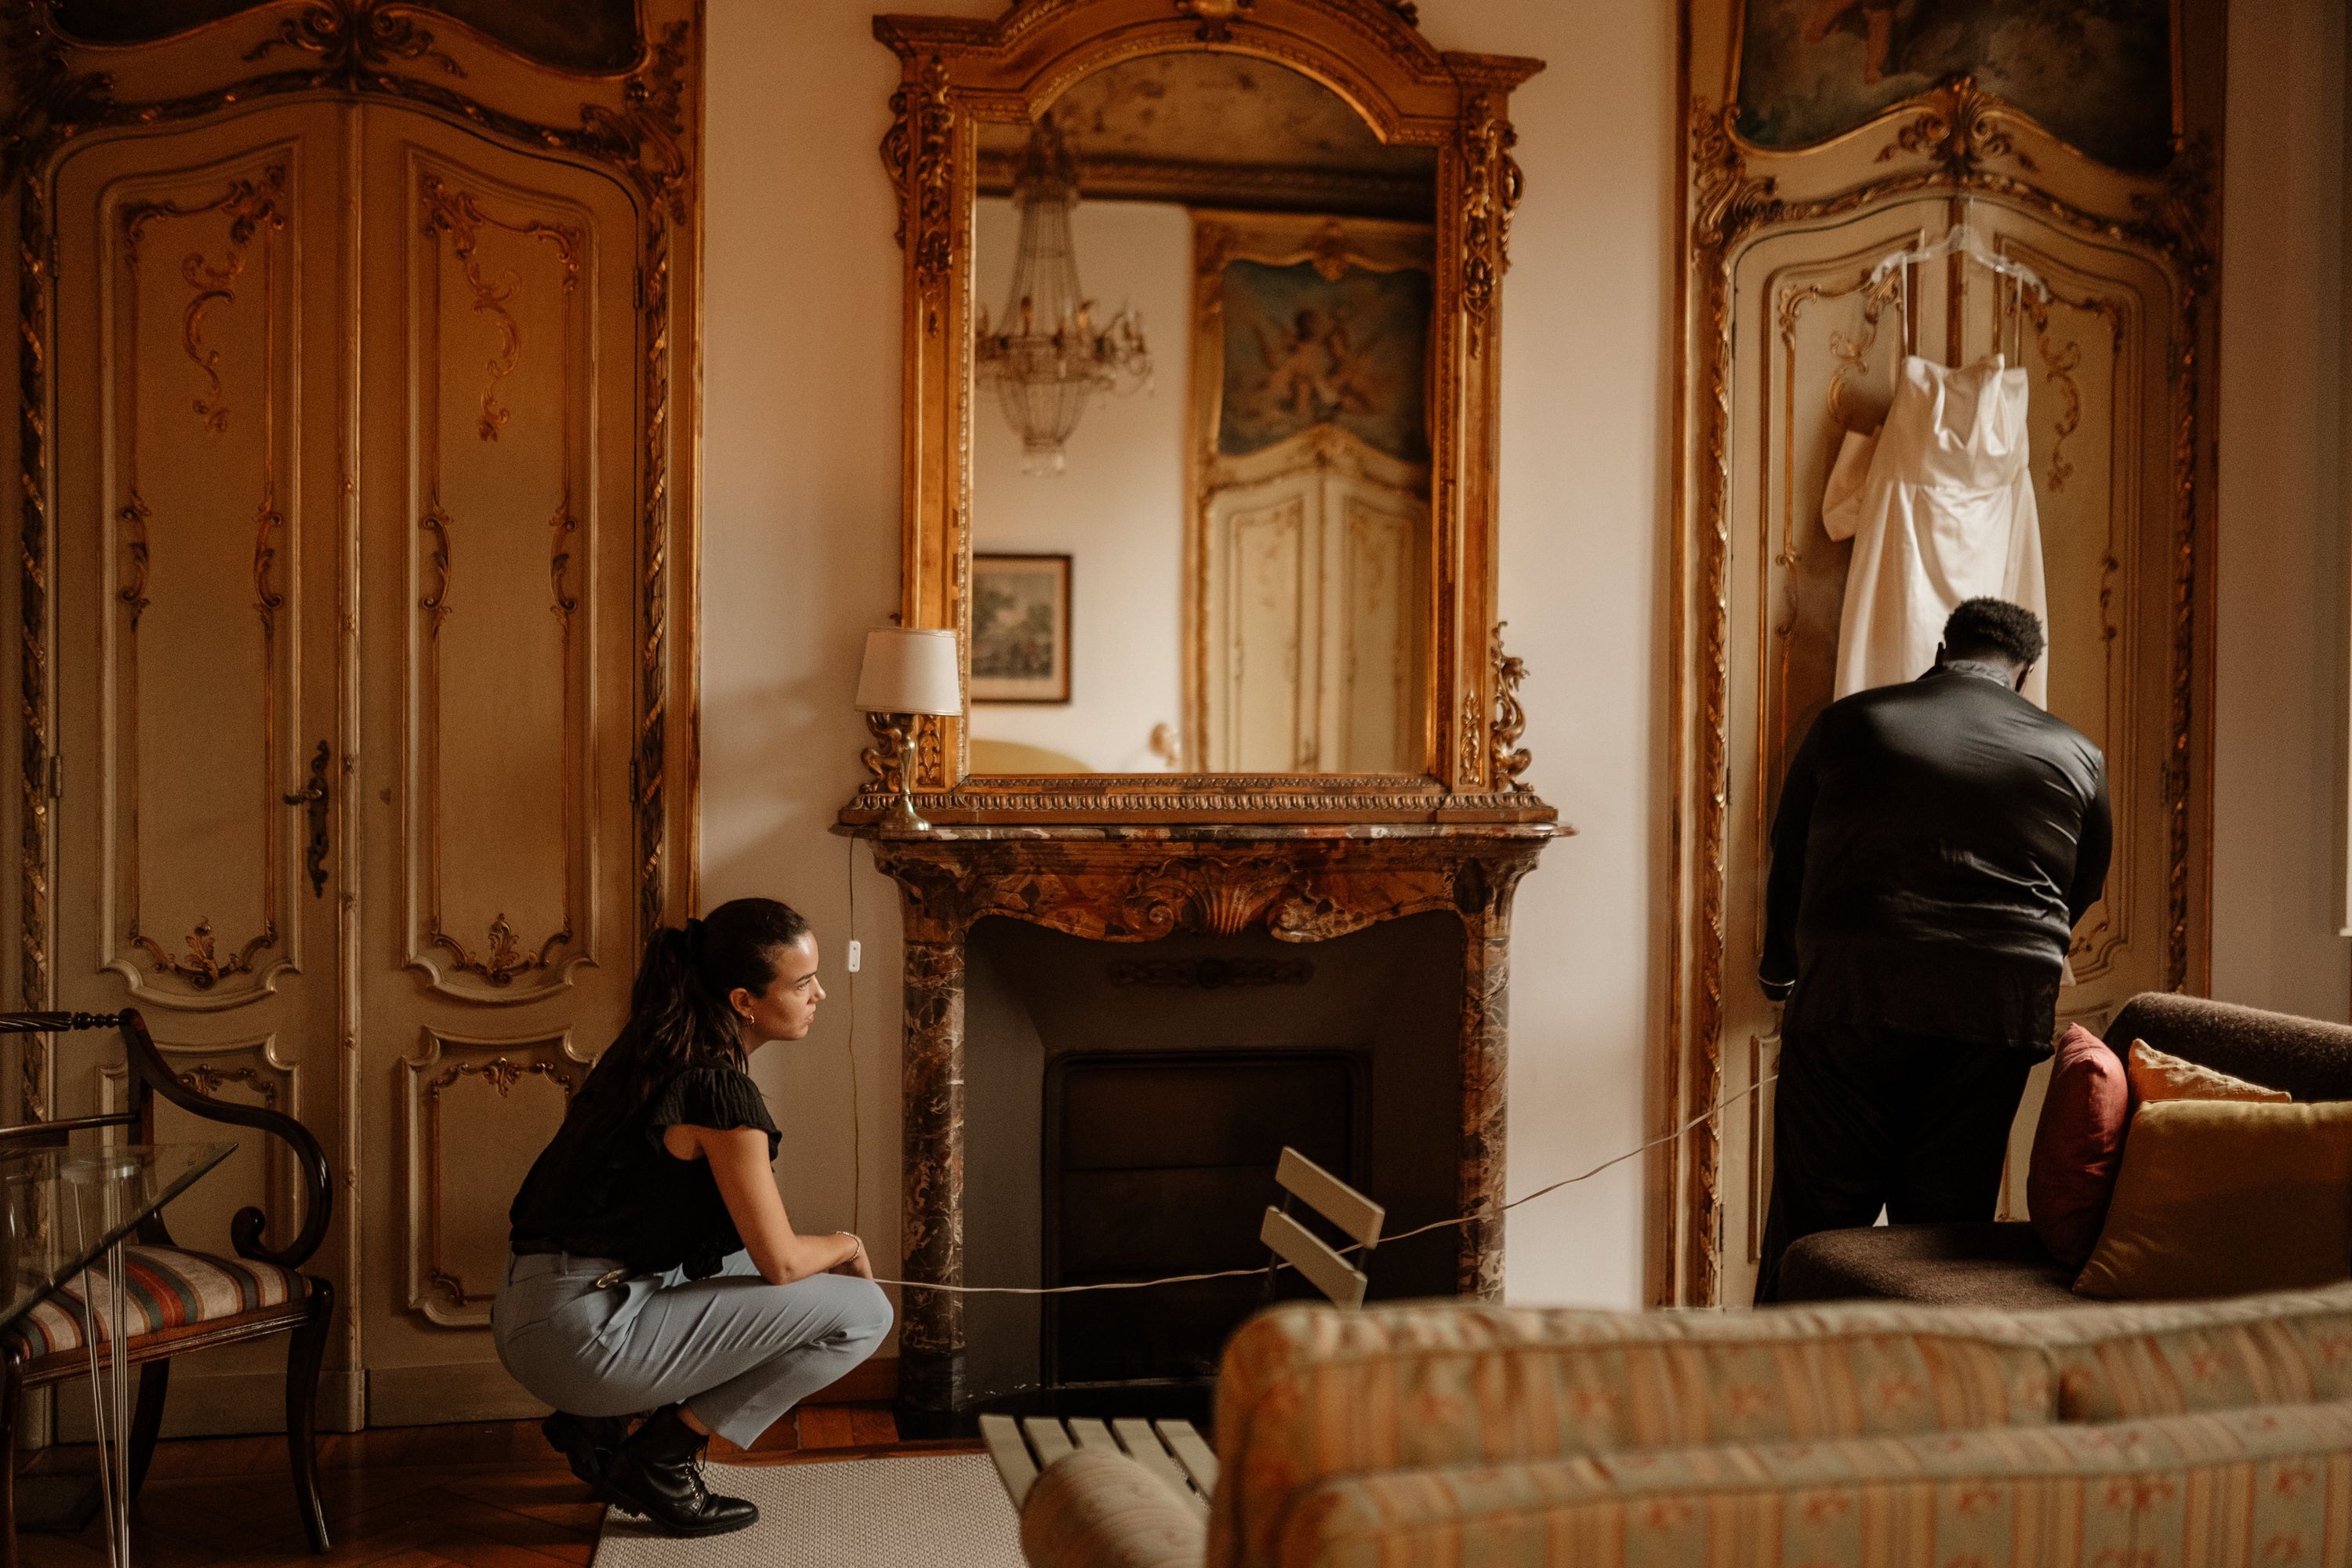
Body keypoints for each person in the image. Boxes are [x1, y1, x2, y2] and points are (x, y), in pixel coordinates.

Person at [493, 898, 891, 1537]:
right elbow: (782, 1262)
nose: (820, 994)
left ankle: (597, 1424)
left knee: (751, 1269)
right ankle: (657, 1458)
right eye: (802, 982)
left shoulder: (651, 1051)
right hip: (579, 1335)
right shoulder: (716, 1090)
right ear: (743, 1002)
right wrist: (846, 1245)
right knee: (864, 1314)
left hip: (538, 1307)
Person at [1754, 597, 2110, 1303]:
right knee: (1946, 1233)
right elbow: (2083, 884)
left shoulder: (1850, 723)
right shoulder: (2078, 754)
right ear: (2025, 673)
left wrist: (1780, 971)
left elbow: (1790, 854)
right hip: (1995, 1016)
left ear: (1943, 650)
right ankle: (1932, 1391)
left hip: (1852, 997)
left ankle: (1781, 1387)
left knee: (1813, 1226)